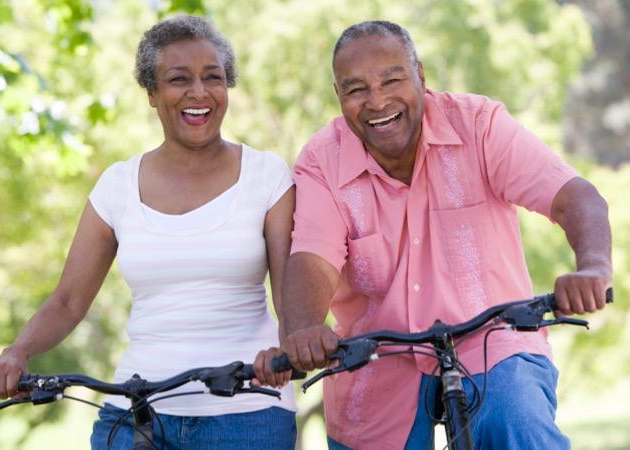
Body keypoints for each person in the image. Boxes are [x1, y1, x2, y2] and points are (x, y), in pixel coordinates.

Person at [262, 20, 612, 450]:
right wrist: (304, 329)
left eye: (392, 80)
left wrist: (593, 267)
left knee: (517, 418)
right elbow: (313, 258)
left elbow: (573, 197)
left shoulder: (479, 125)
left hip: (492, 340)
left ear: (421, 76)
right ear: (339, 97)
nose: (377, 101)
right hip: (374, 357)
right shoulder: (321, 160)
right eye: (356, 90)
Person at [0, 15, 297, 450]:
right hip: (137, 412)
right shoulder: (117, 185)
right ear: (151, 93)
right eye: (178, 79)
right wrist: (15, 353)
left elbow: (290, 294)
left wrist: (290, 349)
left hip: (248, 411)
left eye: (213, 78)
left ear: (227, 87)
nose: (198, 93)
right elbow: (68, 300)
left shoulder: (267, 176)